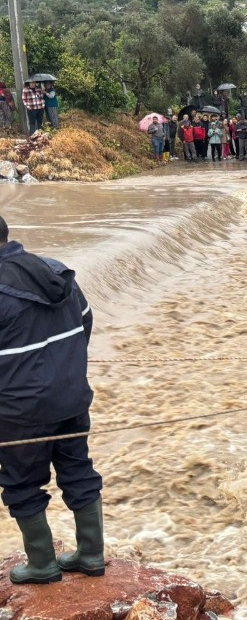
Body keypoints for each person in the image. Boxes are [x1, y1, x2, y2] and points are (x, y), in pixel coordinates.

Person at [0, 215, 103, 585]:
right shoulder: (55, 271)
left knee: (21, 483)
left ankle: (42, 564)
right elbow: (86, 322)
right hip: (71, 397)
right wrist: (64, 370)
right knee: (78, 469)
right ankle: (91, 554)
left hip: (18, 412)